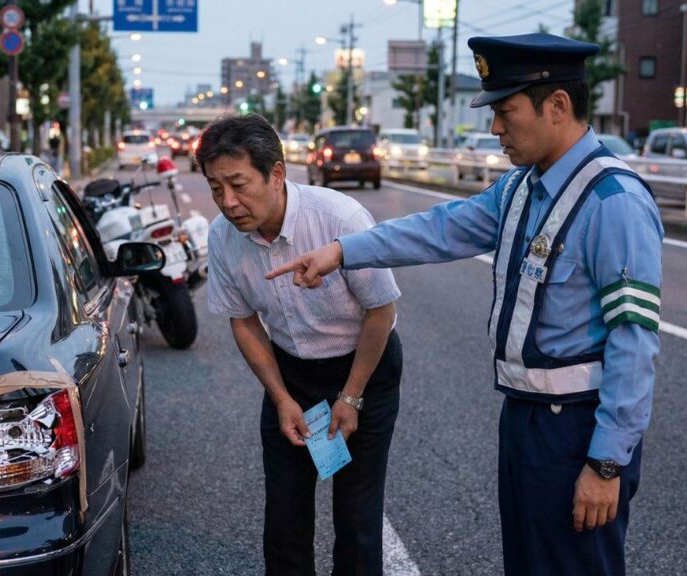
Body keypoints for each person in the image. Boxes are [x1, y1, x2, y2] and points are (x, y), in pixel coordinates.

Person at [268, 33, 662, 576]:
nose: (495, 127)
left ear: (558, 105)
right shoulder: (523, 187)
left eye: (505, 110)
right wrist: (341, 251)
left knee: (576, 565)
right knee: (528, 562)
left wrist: (607, 462)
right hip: (523, 416)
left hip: (578, 426)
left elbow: (634, 340)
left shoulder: (613, 201)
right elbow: (442, 229)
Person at [196, 113, 403, 576]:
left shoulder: (339, 218)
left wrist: (351, 396)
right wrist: (282, 397)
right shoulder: (223, 237)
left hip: (364, 369)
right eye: (215, 188)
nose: (228, 202)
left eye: (238, 184)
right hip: (293, 372)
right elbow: (244, 322)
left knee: (357, 518)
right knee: (284, 520)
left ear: (276, 174)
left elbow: (381, 311)